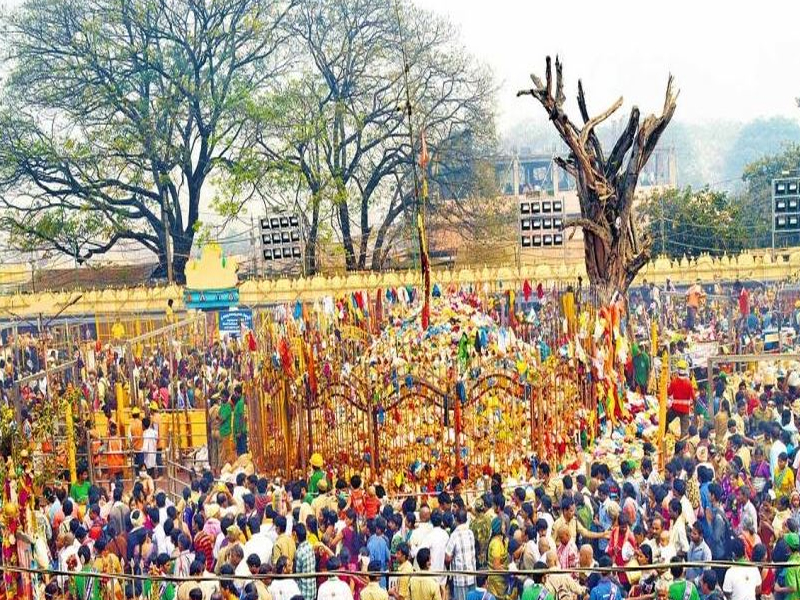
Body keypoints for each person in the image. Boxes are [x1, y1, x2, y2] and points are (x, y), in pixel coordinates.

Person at [446, 508, 476, 600]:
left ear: (456, 520)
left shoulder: (454, 535)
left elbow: (447, 558)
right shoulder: (470, 533)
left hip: (460, 579)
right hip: (472, 575)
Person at [668, 359, 696, 438]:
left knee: (667, 421)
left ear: (678, 370)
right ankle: (682, 444)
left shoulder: (674, 382)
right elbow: (694, 397)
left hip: (674, 409)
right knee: (684, 431)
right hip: (685, 410)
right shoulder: (689, 383)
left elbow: (669, 393)